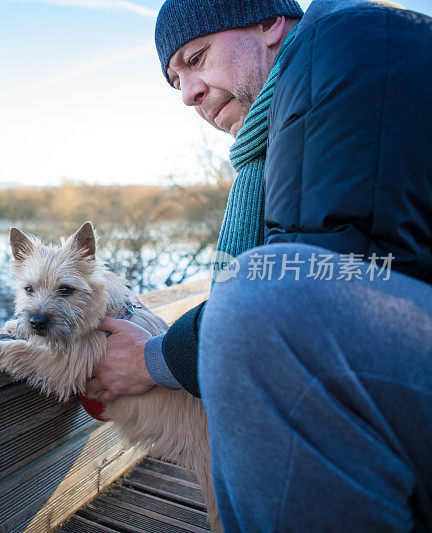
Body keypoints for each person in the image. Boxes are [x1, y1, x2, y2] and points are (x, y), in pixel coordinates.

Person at [85, 0, 432, 530]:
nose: (188, 94)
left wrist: (148, 360)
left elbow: (316, 283)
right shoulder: (286, 123)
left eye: (196, 58)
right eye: (174, 80)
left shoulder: (346, 44)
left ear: (270, 23)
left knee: (257, 304)